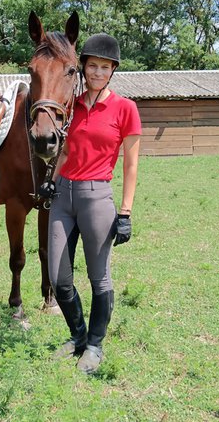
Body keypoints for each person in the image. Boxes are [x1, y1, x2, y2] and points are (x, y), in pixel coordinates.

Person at [43, 33, 141, 374]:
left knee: (99, 278)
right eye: (92, 66)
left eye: (105, 67)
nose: (97, 72)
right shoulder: (71, 105)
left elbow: (131, 164)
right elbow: (66, 150)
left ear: (112, 70)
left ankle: (95, 347)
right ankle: (78, 337)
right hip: (63, 196)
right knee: (58, 276)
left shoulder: (125, 108)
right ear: (83, 68)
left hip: (97, 197)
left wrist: (125, 211)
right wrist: (50, 180)